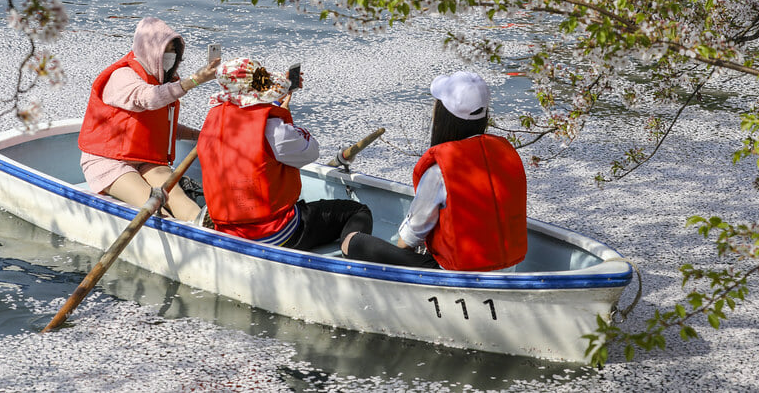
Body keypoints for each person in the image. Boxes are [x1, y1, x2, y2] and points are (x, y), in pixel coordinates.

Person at [342, 71, 528, 271]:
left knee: (353, 242)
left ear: (444, 116)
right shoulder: (504, 154)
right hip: (509, 266)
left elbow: (410, 237)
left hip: (456, 272)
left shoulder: (441, 170)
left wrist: (397, 261)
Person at [197, 57, 373, 250]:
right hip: (273, 233)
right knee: (357, 211)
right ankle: (351, 253)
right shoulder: (274, 129)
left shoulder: (214, 118)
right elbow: (311, 151)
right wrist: (285, 120)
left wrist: (274, 99)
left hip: (228, 231)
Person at [77, 16, 219, 220]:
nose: (170, 56)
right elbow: (146, 99)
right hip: (109, 161)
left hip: (144, 159)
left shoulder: (163, 81)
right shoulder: (122, 76)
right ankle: (174, 233)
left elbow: (163, 126)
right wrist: (194, 80)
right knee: (154, 207)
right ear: (148, 50)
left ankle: (207, 230)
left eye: (173, 51)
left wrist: (200, 135)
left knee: (176, 198)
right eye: (165, 51)